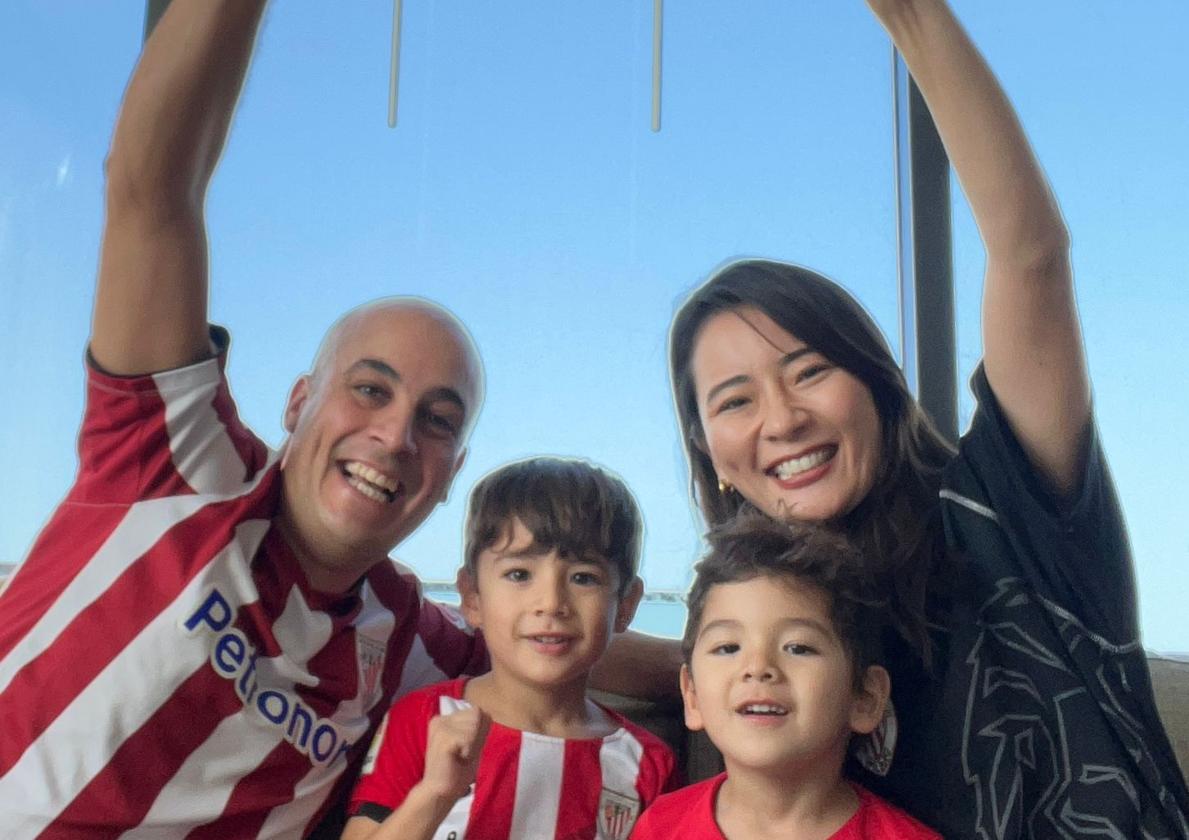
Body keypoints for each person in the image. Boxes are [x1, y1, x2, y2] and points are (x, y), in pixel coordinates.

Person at [0, 1, 676, 836]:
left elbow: (552, 634)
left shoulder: (405, 639)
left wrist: (736, 665)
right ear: (297, 401)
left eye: (437, 419)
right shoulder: (179, 459)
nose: (394, 437)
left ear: (450, 472)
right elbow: (150, 190)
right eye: (369, 389)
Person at [666, 1, 1189, 837]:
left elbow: (1031, 254)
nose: (782, 419)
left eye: (809, 371)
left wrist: (913, 19)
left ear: (877, 385)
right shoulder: (769, 624)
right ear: (711, 452)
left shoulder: (1006, 506)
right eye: (734, 401)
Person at [343, 457, 677, 840]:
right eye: (519, 574)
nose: (551, 603)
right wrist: (434, 794)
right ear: (472, 597)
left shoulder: (648, 764)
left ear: (628, 604)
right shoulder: (424, 720)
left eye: (584, 578)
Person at [632, 516, 939, 839]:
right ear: (692, 695)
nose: (758, 666)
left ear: (865, 697)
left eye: (798, 647)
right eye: (727, 647)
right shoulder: (660, 827)